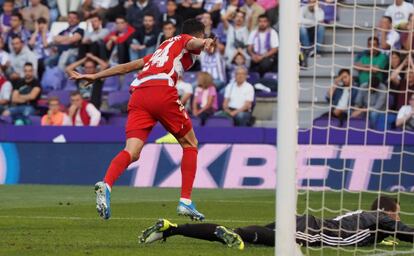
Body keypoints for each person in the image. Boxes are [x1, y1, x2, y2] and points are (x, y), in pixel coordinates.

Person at [69, 19, 216, 221]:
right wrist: (205, 41)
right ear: (198, 33)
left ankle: (107, 184)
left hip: (138, 95)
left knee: (132, 151)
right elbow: (192, 42)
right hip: (161, 90)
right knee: (190, 144)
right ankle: (186, 202)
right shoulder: (185, 39)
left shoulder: (161, 50)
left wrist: (95, 76)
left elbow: (127, 67)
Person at [139, 196, 414, 249]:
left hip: (307, 221)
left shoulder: (368, 220)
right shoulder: (382, 219)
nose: (398, 219)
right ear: (389, 213)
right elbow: (408, 234)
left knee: (238, 235)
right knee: (254, 237)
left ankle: (172, 229)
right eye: (397, 214)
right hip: (315, 231)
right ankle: (237, 234)